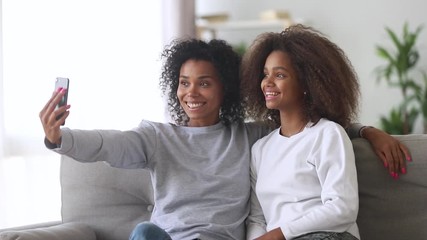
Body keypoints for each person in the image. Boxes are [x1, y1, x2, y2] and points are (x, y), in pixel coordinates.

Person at [40, 37, 409, 240]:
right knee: (144, 233)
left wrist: (368, 131)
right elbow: (109, 144)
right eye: (184, 83)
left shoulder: (249, 139)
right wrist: (60, 138)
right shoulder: (156, 137)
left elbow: (306, 129)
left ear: (225, 89)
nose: (192, 92)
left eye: (204, 82)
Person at [242, 24, 364, 239]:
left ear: (307, 84)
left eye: (279, 75)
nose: (267, 83)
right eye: (265, 74)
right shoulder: (261, 149)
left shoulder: (327, 134)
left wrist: (280, 234)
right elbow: (257, 218)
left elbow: (342, 208)